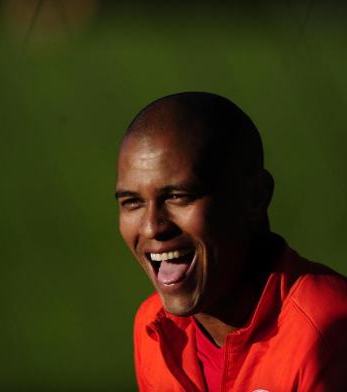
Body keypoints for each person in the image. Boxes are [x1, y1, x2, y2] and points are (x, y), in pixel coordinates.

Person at [115, 92, 347, 392]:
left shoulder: (329, 334)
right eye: (132, 202)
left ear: (255, 197)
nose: (151, 227)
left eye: (177, 196)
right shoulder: (155, 329)